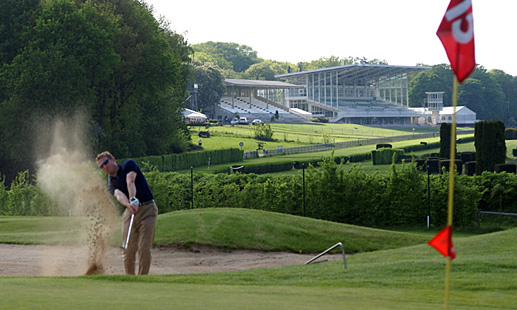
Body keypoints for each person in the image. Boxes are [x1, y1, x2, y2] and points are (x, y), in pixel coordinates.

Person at [96, 151, 158, 275]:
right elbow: (119, 195)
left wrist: (133, 198)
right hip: (130, 212)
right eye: (101, 166)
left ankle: (142, 278)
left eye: (106, 163)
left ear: (113, 159)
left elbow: (130, 181)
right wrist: (128, 204)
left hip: (147, 209)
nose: (105, 167)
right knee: (128, 249)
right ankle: (130, 279)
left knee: (143, 248)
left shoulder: (128, 164)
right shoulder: (111, 184)